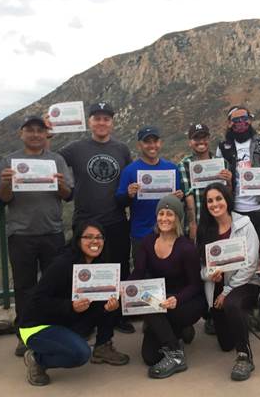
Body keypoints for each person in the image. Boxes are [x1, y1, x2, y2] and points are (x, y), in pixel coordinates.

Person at [0, 115, 74, 356]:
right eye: (30, 130)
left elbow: (68, 195)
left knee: (54, 285)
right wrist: (7, 183)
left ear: (46, 135)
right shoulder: (9, 161)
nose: (35, 134)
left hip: (52, 232)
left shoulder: (57, 160)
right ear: (22, 133)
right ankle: (25, 334)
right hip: (21, 234)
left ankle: (53, 330)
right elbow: (3, 198)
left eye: (40, 131)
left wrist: (60, 184)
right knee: (24, 288)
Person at [19, 221, 130, 386]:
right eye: (89, 237)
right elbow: (37, 301)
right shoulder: (62, 264)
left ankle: (102, 347)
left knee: (110, 300)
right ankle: (37, 359)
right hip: (37, 326)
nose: (95, 241)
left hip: (67, 321)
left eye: (99, 237)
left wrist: (110, 306)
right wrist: (69, 306)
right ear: (78, 240)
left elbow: (98, 305)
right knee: (80, 354)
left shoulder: (100, 266)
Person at [58, 102, 135, 333]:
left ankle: (119, 314)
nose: (102, 123)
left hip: (116, 219)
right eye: (97, 118)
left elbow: (130, 179)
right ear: (90, 122)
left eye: (106, 119)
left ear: (112, 123)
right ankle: (87, 316)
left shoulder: (121, 149)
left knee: (120, 267)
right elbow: (51, 160)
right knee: (85, 270)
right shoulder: (75, 148)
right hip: (85, 221)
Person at [216, 105, 260, 324]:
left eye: (245, 119)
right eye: (236, 120)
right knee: (238, 259)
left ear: (250, 120)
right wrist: (224, 178)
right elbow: (218, 180)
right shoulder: (223, 147)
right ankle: (242, 303)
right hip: (237, 210)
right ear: (229, 123)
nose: (241, 123)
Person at [128, 195, 205, 379]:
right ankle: (179, 331)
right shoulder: (148, 242)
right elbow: (137, 274)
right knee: (150, 357)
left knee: (152, 305)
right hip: (161, 301)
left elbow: (195, 285)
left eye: (170, 214)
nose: (164, 218)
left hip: (186, 302)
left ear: (178, 218)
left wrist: (177, 299)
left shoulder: (186, 247)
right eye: (161, 213)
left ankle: (176, 354)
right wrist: (123, 288)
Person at [196, 182, 260, 381]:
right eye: (209, 201)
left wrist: (228, 290)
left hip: (245, 282)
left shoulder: (244, 224)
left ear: (227, 199)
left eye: (218, 199)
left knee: (232, 303)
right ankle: (243, 319)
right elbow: (201, 268)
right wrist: (210, 274)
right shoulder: (205, 229)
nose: (215, 204)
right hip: (217, 285)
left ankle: (244, 357)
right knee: (225, 343)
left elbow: (250, 263)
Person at [116, 126, 183, 265]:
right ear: (139, 144)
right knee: (144, 277)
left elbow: (177, 201)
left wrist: (178, 197)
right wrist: (128, 195)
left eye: (155, 141)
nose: (152, 146)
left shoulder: (172, 169)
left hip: (168, 233)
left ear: (160, 143)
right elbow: (119, 201)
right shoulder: (130, 170)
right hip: (141, 234)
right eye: (147, 142)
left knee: (170, 273)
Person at [178, 123, 232, 240]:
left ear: (209, 139)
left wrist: (229, 181)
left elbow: (228, 194)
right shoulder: (184, 164)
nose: (201, 141)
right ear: (190, 142)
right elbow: (188, 195)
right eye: (196, 138)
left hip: (220, 223)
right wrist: (193, 224)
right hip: (198, 223)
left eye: (204, 138)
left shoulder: (222, 163)